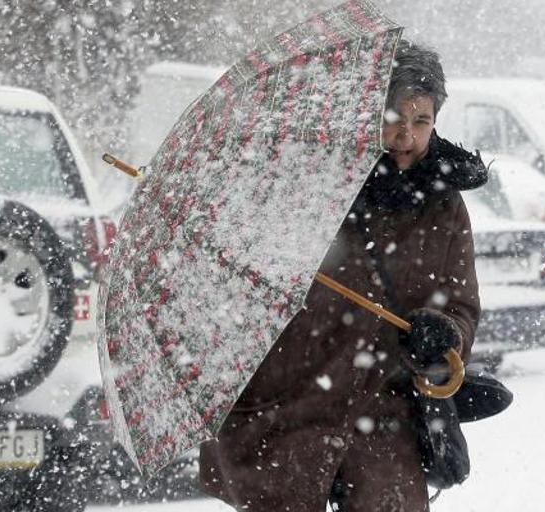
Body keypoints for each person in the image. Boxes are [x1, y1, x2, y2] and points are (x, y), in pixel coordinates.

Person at [199, 40, 488, 512]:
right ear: (369, 114)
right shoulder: (307, 187)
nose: (407, 137)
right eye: (395, 119)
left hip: (385, 411)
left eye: (422, 121)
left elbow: (461, 304)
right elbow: (247, 290)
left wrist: (444, 334)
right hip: (292, 405)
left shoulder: (444, 204)